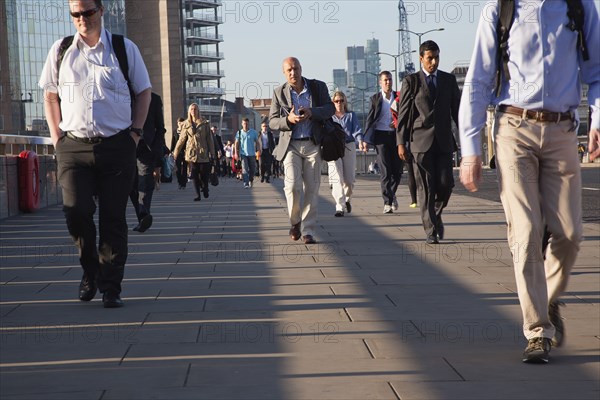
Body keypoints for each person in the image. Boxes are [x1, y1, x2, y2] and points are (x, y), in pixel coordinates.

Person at [458, 1, 598, 363]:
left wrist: (598, 120)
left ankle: (547, 299)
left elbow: (597, 72)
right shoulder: (501, 9)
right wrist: (471, 150)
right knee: (526, 230)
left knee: (570, 234)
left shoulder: (579, 7)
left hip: (563, 131)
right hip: (513, 129)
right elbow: (477, 80)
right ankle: (537, 331)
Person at [39, 0, 152, 308]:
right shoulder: (61, 50)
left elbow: (143, 92)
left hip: (117, 145)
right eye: (75, 13)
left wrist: (135, 133)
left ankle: (111, 286)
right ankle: (90, 270)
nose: (82, 18)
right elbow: (50, 96)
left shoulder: (123, 48)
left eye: (87, 12)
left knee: (113, 219)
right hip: (73, 146)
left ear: (101, 11)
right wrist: (56, 137)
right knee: (76, 212)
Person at [396, 40, 460, 244]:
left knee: (446, 183)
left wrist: (467, 138)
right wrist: (400, 142)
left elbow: (457, 112)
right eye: (430, 58)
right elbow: (404, 114)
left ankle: (435, 212)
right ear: (421, 58)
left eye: (437, 57)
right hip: (420, 143)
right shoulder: (411, 81)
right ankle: (431, 230)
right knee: (426, 187)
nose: (434, 62)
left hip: (443, 141)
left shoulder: (448, 80)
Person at [269, 57, 334, 244]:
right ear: (284, 72)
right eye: (289, 70)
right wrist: (288, 120)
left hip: (313, 144)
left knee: (312, 188)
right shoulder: (279, 93)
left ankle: (308, 230)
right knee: (292, 186)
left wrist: (313, 112)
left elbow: (330, 109)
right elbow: (272, 121)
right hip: (291, 146)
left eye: (296, 69)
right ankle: (295, 222)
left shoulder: (318, 87)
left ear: (301, 69)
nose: (293, 73)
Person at [364, 71, 402, 213]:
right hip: (380, 136)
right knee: (386, 171)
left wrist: (397, 122)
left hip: (396, 136)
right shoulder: (375, 98)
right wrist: (365, 140)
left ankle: (392, 194)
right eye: (385, 80)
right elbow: (370, 118)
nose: (388, 82)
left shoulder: (398, 97)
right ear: (380, 82)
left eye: (390, 79)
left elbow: (404, 114)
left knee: (397, 171)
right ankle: (387, 202)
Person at [129, 92, 166, 233]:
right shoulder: (122, 96)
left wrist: (156, 150)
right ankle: (142, 216)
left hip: (147, 147)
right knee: (131, 185)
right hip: (128, 147)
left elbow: (160, 127)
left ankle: (144, 215)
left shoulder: (155, 99)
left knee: (144, 182)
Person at [173, 103, 216, 201]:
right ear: (189, 111)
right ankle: (198, 195)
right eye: (191, 109)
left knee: (204, 173)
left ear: (198, 111)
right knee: (194, 173)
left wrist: (212, 152)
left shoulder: (204, 123)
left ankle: (205, 188)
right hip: (191, 153)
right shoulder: (186, 124)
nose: (193, 111)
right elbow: (181, 139)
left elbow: (209, 139)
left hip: (203, 152)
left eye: (195, 109)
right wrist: (176, 152)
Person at [328, 91, 361, 216]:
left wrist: (361, 141)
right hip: (334, 147)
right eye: (336, 101)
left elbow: (357, 130)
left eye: (341, 100)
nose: (339, 103)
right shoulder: (330, 117)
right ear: (333, 102)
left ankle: (347, 198)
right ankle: (339, 206)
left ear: (345, 102)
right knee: (337, 178)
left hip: (349, 146)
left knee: (349, 180)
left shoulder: (351, 115)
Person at [235, 118, 261, 188]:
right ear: (242, 124)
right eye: (244, 123)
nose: (245, 125)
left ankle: (250, 180)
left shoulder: (253, 132)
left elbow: (257, 142)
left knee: (252, 169)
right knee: (244, 168)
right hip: (243, 154)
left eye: (246, 123)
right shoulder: (239, 133)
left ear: (248, 124)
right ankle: (246, 183)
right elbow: (236, 143)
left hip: (252, 154)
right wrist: (236, 153)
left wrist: (258, 150)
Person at [172, 118, 188, 189]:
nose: (181, 125)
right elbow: (173, 142)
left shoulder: (186, 131)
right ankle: (179, 182)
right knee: (178, 168)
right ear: (177, 123)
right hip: (177, 152)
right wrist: (171, 151)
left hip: (185, 151)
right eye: (179, 123)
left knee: (184, 168)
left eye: (182, 123)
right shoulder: (175, 131)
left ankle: (184, 183)